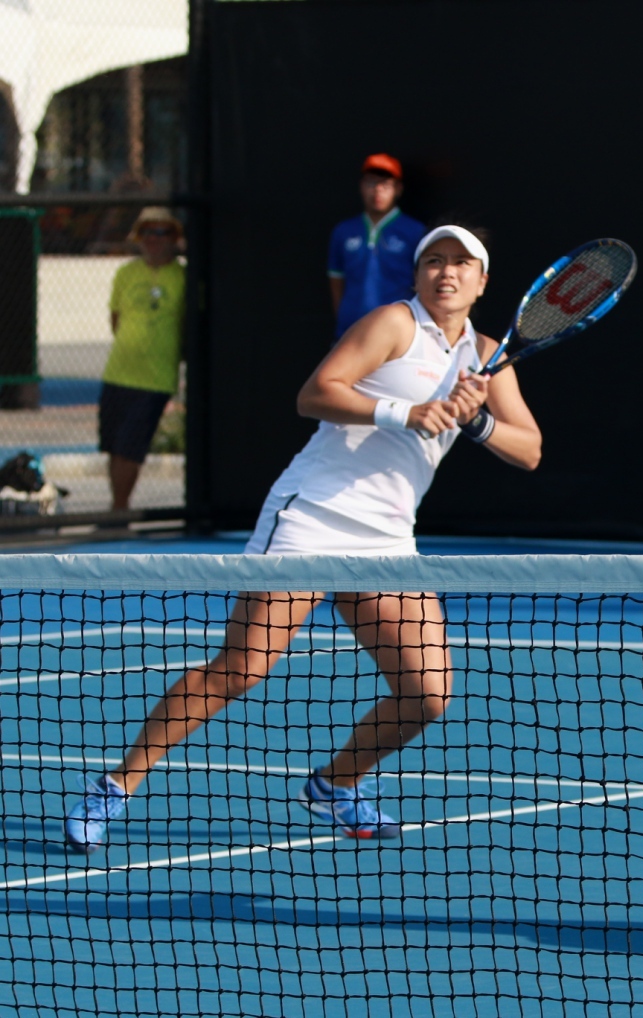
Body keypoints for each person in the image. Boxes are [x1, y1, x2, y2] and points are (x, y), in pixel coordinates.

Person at [64, 224, 542, 852]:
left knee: (427, 694)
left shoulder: (485, 357)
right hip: (312, 517)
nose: (445, 273)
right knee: (241, 670)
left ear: (482, 282)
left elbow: (529, 449)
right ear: (418, 272)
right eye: (433, 260)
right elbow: (315, 394)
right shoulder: (392, 324)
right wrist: (408, 411)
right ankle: (115, 788)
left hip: (388, 542)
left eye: (460, 263)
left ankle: (336, 785)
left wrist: (476, 420)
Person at [100, 206, 186, 510]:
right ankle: (117, 508)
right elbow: (115, 319)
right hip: (117, 372)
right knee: (113, 446)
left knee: (130, 447)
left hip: (155, 377)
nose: (154, 238)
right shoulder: (126, 273)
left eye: (162, 232)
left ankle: (119, 510)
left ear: (175, 238)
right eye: (147, 232)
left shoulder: (183, 277)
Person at [328, 153, 427, 342]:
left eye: (385, 184)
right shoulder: (343, 231)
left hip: (396, 334)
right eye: (371, 183)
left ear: (398, 189)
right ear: (361, 186)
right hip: (349, 331)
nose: (377, 190)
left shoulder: (415, 231)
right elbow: (336, 280)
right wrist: (343, 317)